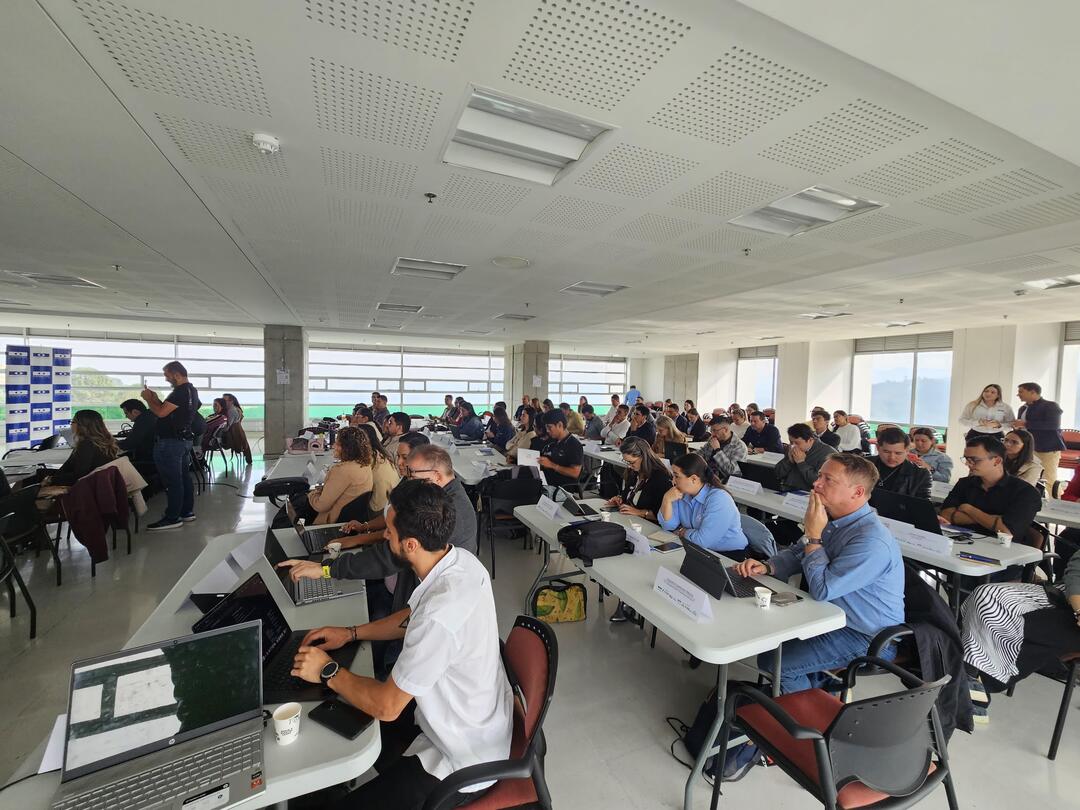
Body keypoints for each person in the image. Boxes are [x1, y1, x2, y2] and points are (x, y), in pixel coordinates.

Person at [288, 479, 511, 810]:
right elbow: (411, 616)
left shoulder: (439, 616)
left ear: (410, 545)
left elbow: (387, 706)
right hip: (462, 720)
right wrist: (351, 633)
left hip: (460, 759)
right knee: (337, 720)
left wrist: (327, 669)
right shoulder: (460, 561)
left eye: (389, 532)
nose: (384, 536)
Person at [735, 453, 905, 693]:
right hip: (829, 614)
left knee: (775, 662)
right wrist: (768, 566)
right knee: (763, 635)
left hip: (864, 634)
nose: (816, 483)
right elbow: (800, 552)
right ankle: (820, 689)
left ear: (857, 492)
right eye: (819, 476)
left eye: (828, 479)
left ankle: (810, 709)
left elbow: (822, 589)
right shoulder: (835, 519)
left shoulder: (871, 541)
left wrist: (814, 535)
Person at [961, 552, 1080, 723]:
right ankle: (971, 681)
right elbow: (1076, 572)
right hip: (1067, 596)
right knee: (986, 595)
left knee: (1021, 626)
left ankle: (971, 686)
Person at [606, 437, 673, 623]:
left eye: (632, 462)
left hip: (654, 531)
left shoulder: (661, 478)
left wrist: (640, 512)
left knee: (626, 557)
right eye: (626, 462)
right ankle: (623, 596)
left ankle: (628, 601)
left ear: (643, 456)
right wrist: (620, 500)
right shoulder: (635, 472)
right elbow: (630, 496)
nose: (629, 466)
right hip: (633, 525)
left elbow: (666, 516)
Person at [336, 432, 432, 551]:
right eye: (398, 456)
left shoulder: (422, 493)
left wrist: (355, 540)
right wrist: (364, 526)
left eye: (405, 458)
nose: (399, 462)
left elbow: (395, 532)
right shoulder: (406, 478)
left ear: (422, 459)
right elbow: (391, 515)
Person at [939, 435, 1042, 542]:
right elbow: (945, 516)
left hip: (1002, 547)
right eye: (966, 459)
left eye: (974, 460)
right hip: (961, 541)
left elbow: (1006, 531)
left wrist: (969, 509)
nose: (968, 464)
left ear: (997, 461)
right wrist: (994, 520)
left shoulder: (1026, 492)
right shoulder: (964, 483)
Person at [142, 361, 199, 530]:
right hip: (182, 440)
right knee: (183, 478)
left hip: (170, 442)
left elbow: (161, 412)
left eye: (167, 375)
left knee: (172, 481)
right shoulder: (191, 390)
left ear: (176, 374)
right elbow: (168, 409)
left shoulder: (179, 392)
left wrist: (148, 400)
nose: (166, 379)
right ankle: (186, 511)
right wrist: (155, 399)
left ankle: (172, 517)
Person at [658, 453, 748, 556]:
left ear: (694, 479)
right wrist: (666, 500)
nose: (673, 481)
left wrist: (683, 531)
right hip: (696, 547)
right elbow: (668, 526)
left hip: (729, 554)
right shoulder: (681, 493)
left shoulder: (719, 498)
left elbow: (703, 541)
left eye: (677, 476)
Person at [28, 409, 119, 488]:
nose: (71, 424)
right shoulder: (105, 441)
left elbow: (79, 475)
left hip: (82, 487)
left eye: (73, 421)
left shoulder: (87, 444)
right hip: (95, 483)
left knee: (33, 477)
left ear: (82, 426)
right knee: (39, 473)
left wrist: (51, 479)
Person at [304, 427, 374, 524]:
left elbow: (321, 506)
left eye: (337, 444)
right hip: (351, 520)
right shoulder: (365, 464)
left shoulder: (341, 470)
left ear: (347, 448)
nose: (333, 446)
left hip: (332, 521)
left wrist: (311, 494)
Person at [1014, 382, 1065, 496]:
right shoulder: (1022, 408)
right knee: (1027, 474)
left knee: (1048, 476)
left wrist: (1025, 424)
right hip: (1028, 447)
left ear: (1033, 392)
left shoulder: (1051, 406)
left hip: (1047, 448)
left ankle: (1052, 500)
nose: (1018, 394)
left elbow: (1053, 425)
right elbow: (1023, 427)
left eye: (1021, 391)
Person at [871, 427, 932, 500]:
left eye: (898, 453)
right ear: (878, 447)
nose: (892, 457)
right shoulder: (862, 465)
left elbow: (922, 504)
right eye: (886, 452)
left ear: (907, 450)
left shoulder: (921, 475)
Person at [774, 423, 837, 491]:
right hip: (786, 489)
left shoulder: (828, 453)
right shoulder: (792, 449)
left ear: (810, 440)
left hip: (808, 493)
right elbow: (777, 473)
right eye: (791, 442)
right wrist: (789, 461)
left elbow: (819, 482)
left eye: (797, 443)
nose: (793, 446)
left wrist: (801, 463)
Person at [356, 423, 401, 517]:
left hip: (379, 507)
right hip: (391, 501)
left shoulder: (367, 457)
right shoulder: (379, 453)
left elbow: (354, 481)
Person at [538, 410, 584, 487]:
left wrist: (552, 465)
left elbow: (575, 473)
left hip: (561, 487)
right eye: (546, 428)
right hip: (545, 482)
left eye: (549, 427)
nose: (547, 431)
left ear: (560, 425)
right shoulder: (552, 441)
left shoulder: (574, 445)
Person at [118, 398, 156, 469]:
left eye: (126, 413)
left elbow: (130, 443)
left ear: (135, 412)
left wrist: (112, 444)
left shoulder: (143, 422)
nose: (126, 416)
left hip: (147, 460)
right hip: (151, 457)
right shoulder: (149, 417)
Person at [220, 393, 252, 465]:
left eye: (224, 400)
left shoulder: (232, 411)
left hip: (233, 436)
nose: (222, 402)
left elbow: (227, 428)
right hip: (237, 433)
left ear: (231, 401)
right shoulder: (234, 408)